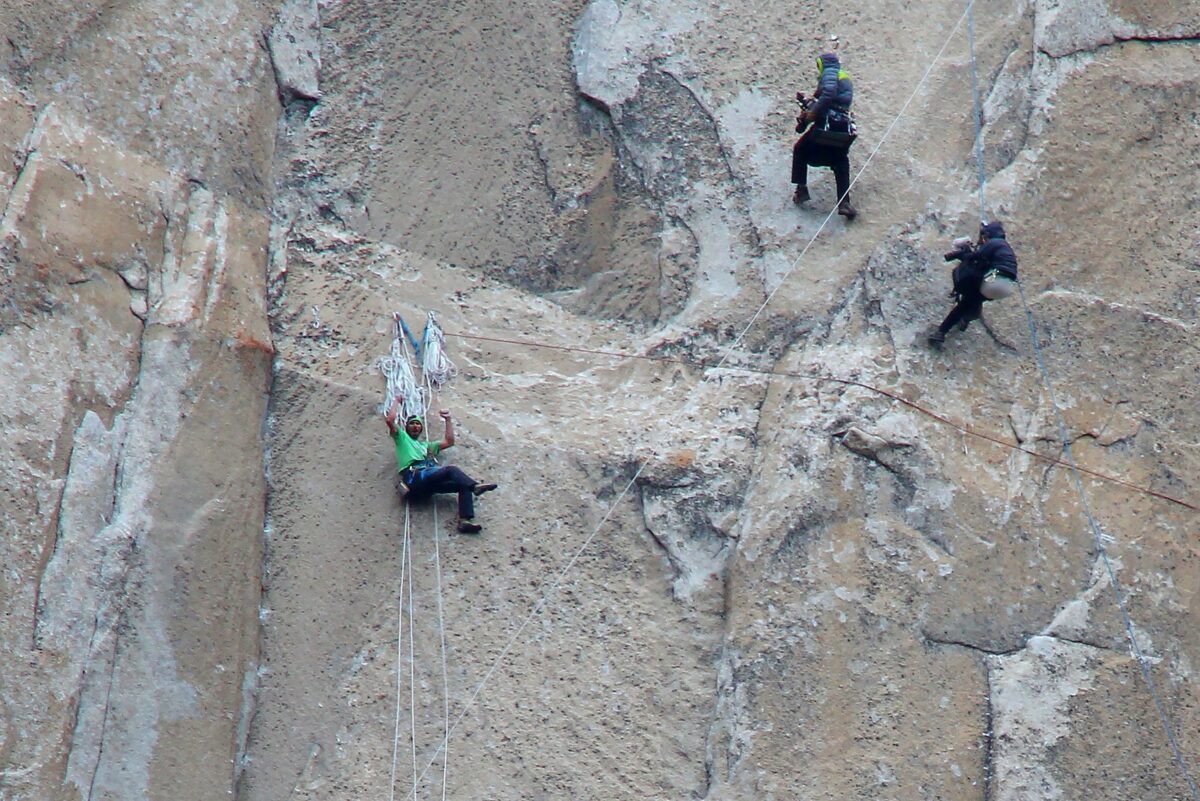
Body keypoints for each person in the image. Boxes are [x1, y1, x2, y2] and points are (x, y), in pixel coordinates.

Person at [383, 397, 497, 533]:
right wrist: (396, 400)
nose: (415, 426)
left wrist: (448, 420)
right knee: (451, 470)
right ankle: (475, 487)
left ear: (421, 428)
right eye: (412, 424)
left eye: (418, 424)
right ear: (406, 427)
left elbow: (449, 441)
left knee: (462, 485)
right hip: (414, 478)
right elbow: (390, 420)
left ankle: (464, 521)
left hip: (426, 485)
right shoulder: (401, 438)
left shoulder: (427, 446)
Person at [928, 221, 1019, 345]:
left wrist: (959, 254)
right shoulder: (1004, 247)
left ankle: (942, 331)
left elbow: (975, 256)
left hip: (994, 277)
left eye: (985, 236)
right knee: (973, 298)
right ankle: (967, 316)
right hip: (1007, 286)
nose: (983, 239)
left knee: (969, 282)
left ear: (989, 234)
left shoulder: (994, 242)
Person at [791, 51, 857, 219]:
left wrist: (809, 118)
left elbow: (825, 97)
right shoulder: (843, 78)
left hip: (828, 125)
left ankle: (802, 190)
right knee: (840, 160)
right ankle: (844, 203)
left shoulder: (830, 74)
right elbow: (821, 102)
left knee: (800, 149)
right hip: (843, 128)